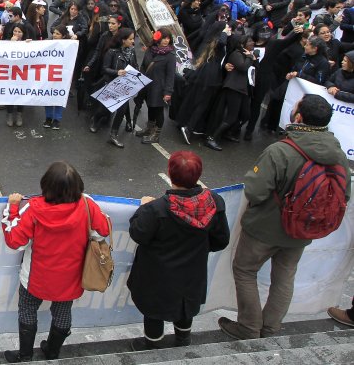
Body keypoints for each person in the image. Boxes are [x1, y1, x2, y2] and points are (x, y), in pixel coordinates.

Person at [219, 95, 351, 340]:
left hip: (264, 228)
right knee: (284, 276)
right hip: (303, 230)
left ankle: (248, 327)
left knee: (245, 270)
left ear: (299, 118)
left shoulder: (281, 150)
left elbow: (256, 191)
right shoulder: (338, 154)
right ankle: (270, 328)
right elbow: (344, 193)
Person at [1, 162, 110, 362]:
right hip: (71, 278)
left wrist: (13, 209)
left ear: (46, 185)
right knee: (62, 313)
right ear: (78, 185)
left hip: (35, 279)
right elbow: (103, 230)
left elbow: (15, 242)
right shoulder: (87, 205)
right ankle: (52, 352)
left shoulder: (34, 209)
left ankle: (25, 355)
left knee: (27, 309)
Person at [128, 151, 230, 350]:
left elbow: (138, 233)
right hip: (193, 272)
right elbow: (220, 240)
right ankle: (183, 340)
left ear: (170, 174)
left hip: (157, 275)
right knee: (186, 307)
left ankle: (152, 345)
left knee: (153, 311)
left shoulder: (156, 210)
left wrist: (143, 208)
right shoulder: (214, 202)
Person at [137, 29, 176, 144]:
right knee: (150, 107)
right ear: (157, 38)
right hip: (148, 85)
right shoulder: (150, 50)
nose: (166, 40)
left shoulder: (170, 55)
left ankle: (156, 135)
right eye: (164, 38)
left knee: (158, 110)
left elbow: (171, 75)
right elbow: (144, 66)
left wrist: (168, 92)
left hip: (160, 87)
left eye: (168, 38)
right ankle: (149, 129)